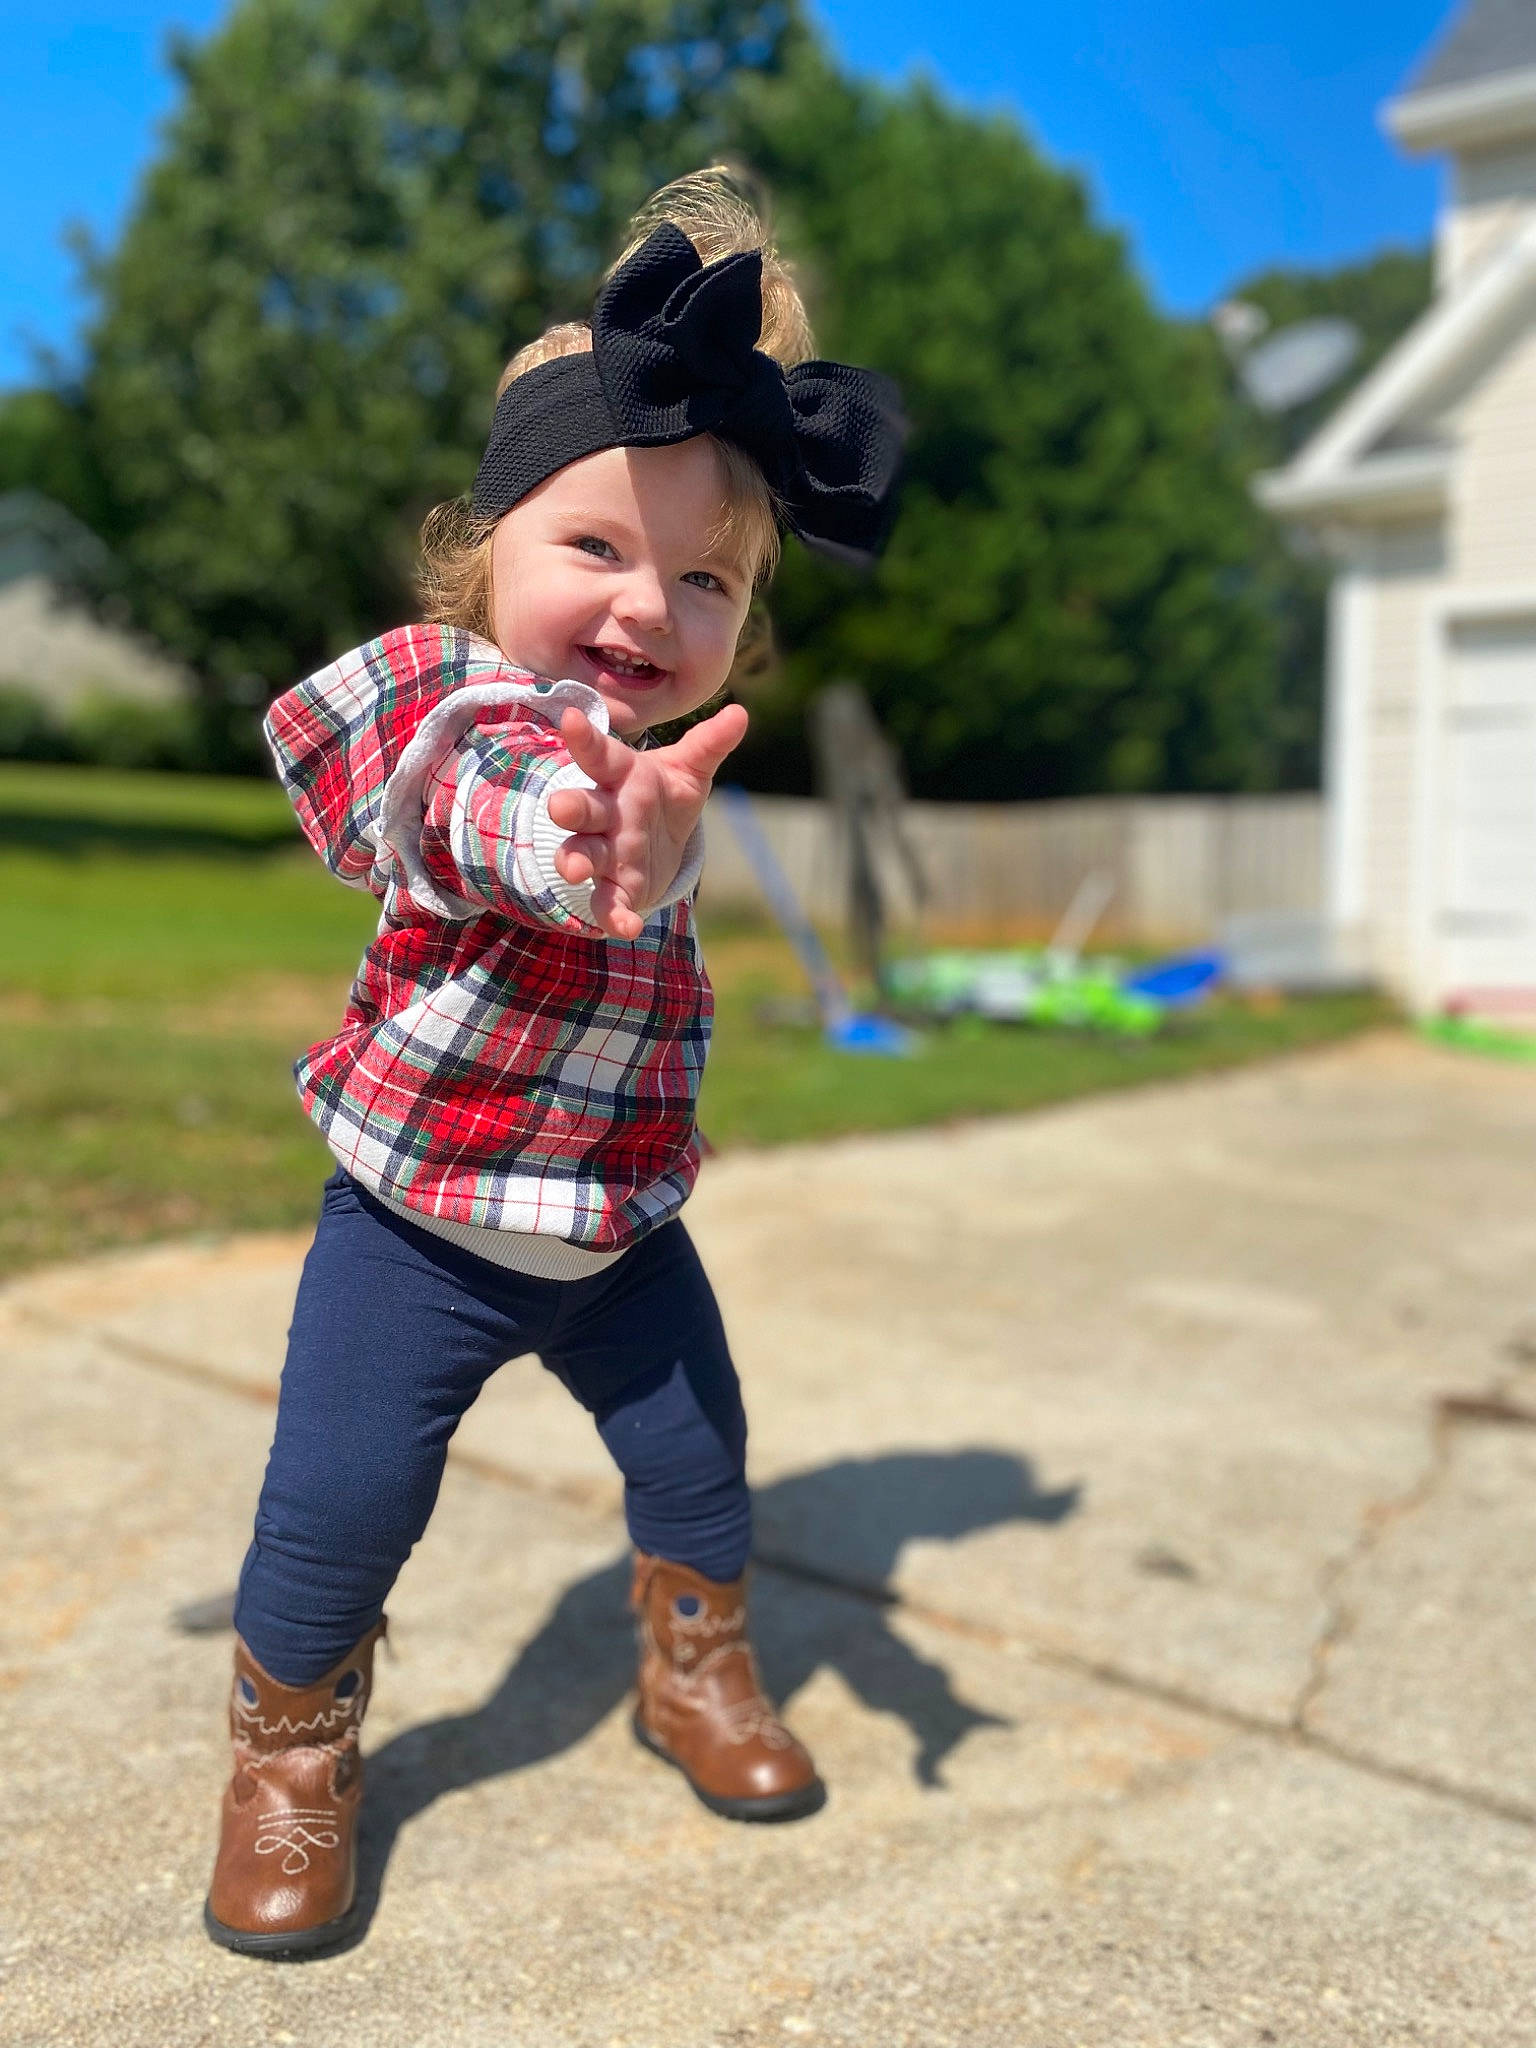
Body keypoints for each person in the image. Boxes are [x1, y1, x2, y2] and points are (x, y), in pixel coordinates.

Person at [203, 167, 904, 1960]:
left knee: (701, 1463)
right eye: (592, 547)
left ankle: (695, 1664)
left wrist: (646, 829)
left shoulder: (656, 763)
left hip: (615, 1233)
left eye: (702, 576)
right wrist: (588, 839)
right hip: (419, 1224)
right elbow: (468, 809)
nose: (644, 606)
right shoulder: (456, 709)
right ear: (483, 552)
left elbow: (625, 825)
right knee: (338, 1505)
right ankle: (290, 1753)